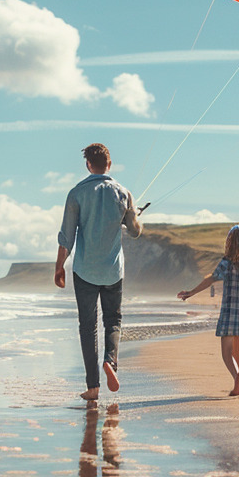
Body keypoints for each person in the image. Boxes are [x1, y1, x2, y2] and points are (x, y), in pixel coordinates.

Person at [55, 143, 143, 402]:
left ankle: (93, 387)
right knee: (113, 321)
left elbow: (66, 237)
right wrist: (134, 212)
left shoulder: (77, 193)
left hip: (85, 271)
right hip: (113, 271)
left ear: (88, 165)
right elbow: (135, 231)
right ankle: (110, 362)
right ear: (110, 164)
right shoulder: (123, 193)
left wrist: (59, 267)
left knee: (87, 327)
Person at [177, 224, 239, 397]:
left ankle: (237, 376)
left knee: (226, 351)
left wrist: (191, 293)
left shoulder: (227, 263)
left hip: (230, 310)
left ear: (230, 243)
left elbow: (211, 279)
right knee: (238, 349)